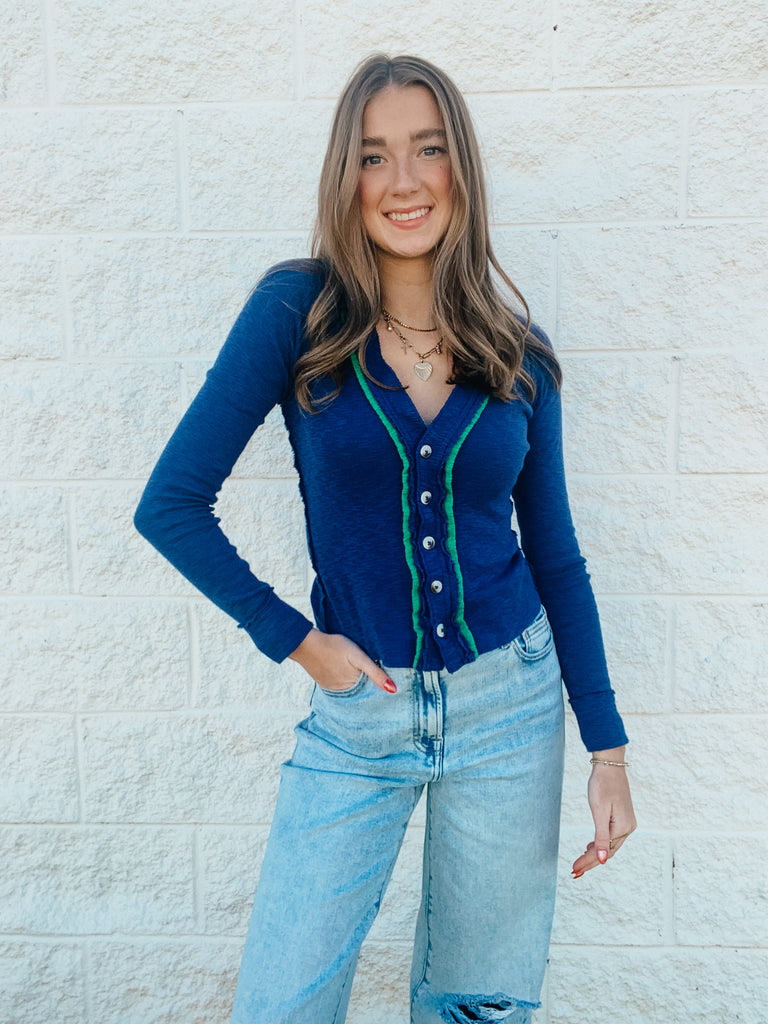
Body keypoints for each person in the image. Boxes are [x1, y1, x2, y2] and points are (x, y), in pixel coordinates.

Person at [135, 53, 636, 1024]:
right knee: (281, 1003)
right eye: (374, 157)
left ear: (461, 168)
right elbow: (172, 504)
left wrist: (607, 750)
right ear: (347, 177)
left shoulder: (518, 355)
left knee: (478, 1008)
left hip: (511, 707)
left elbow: (557, 559)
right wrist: (297, 641)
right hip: (360, 714)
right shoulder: (298, 312)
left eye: (427, 150)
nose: (403, 181)